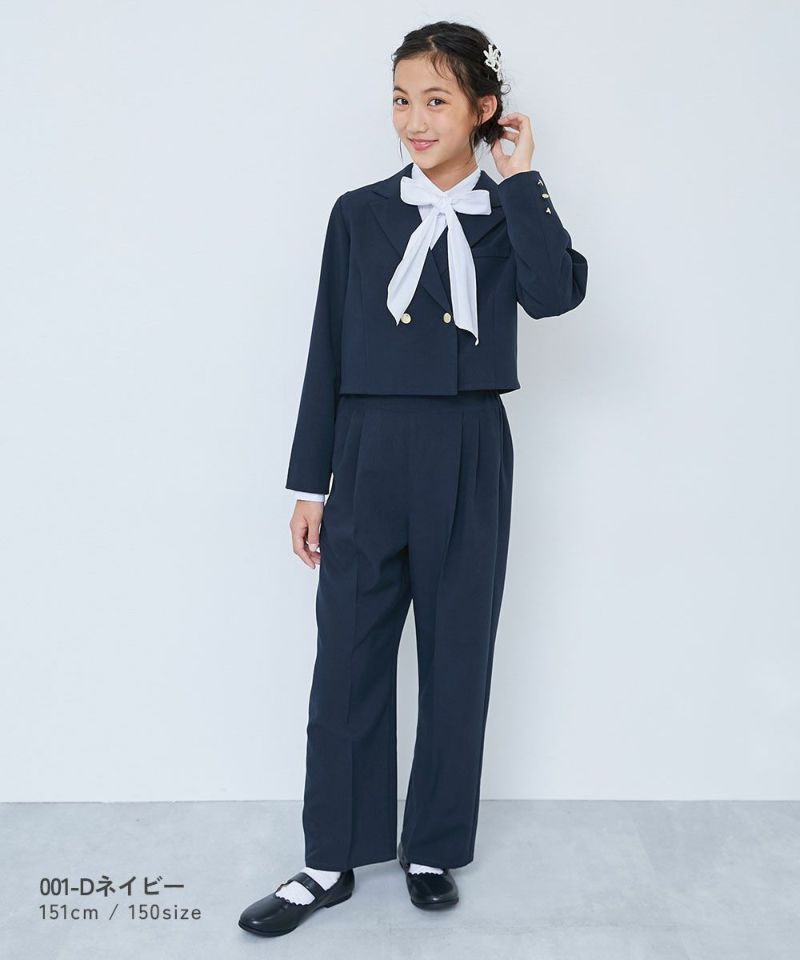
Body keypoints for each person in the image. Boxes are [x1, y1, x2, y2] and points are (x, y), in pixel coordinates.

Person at [238, 19, 588, 938]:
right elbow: (326, 346)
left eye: (437, 100)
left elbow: (555, 294)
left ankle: (431, 847)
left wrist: (521, 180)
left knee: (457, 653)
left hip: (468, 447)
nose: (414, 120)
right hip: (367, 447)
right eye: (401, 99)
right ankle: (329, 859)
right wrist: (310, 482)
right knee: (347, 657)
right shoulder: (359, 213)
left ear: (483, 109)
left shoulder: (509, 212)